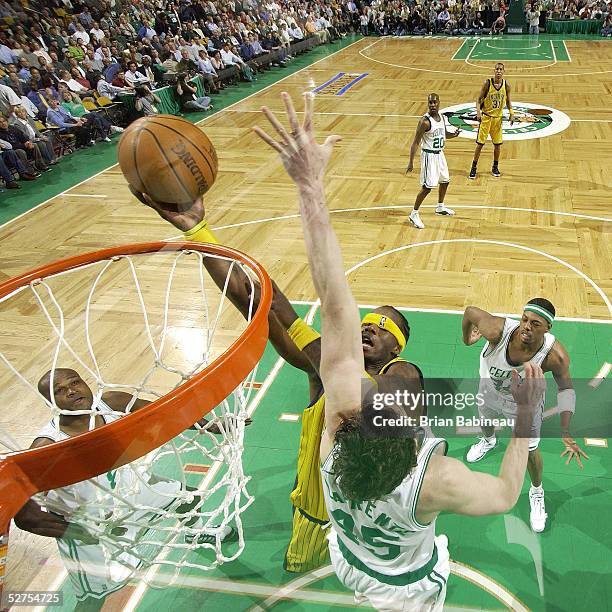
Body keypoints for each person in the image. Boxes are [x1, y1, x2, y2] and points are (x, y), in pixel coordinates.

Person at [253, 91, 547, 610]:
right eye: (408, 399)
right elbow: (504, 494)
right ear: (414, 435)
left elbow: (335, 304)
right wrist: (527, 416)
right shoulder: (434, 481)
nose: (402, 386)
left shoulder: (336, 431)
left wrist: (310, 187)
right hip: (402, 587)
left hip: (347, 554)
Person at [13, 368, 236, 610]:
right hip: (88, 520)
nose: (71, 391)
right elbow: (26, 518)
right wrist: (77, 533)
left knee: (189, 497)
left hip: (129, 492)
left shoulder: (111, 403)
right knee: (92, 598)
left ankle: (195, 532)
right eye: (59, 391)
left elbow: (165, 411)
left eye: (74, 382)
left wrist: (209, 424)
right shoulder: (45, 448)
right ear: (51, 403)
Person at [462, 299, 589, 532]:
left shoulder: (555, 356)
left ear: (548, 327)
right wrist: (467, 338)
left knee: (530, 451)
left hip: (524, 404)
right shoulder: (496, 331)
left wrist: (566, 430)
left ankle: (537, 491)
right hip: (489, 389)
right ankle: (488, 441)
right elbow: (470, 311)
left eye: (535, 324)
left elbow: (566, 390)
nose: (526, 327)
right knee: (485, 420)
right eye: (524, 319)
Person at [406, 93, 460, 229]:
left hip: (440, 155)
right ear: (428, 103)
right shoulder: (424, 121)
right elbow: (415, 142)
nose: (433, 105)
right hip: (429, 157)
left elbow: (443, 133)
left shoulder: (441, 117)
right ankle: (414, 213)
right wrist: (411, 162)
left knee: (445, 181)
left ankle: (440, 207)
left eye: (435, 102)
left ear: (439, 102)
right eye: (430, 103)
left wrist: (453, 134)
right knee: (427, 188)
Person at [469, 63, 514, 179]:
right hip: (486, 118)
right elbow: (478, 100)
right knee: (480, 145)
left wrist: (511, 113)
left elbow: (508, 101)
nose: (498, 71)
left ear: (504, 71)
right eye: (497, 69)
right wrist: (478, 113)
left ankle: (495, 166)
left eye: (501, 69)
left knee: (497, 145)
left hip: (498, 119)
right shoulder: (487, 83)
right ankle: (473, 167)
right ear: (494, 71)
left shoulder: (506, 85)